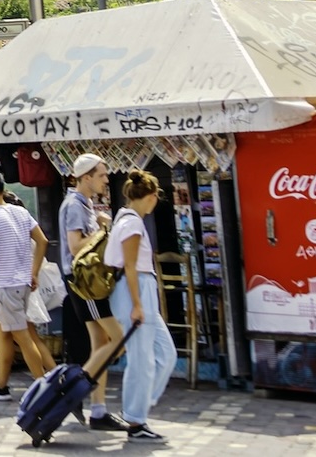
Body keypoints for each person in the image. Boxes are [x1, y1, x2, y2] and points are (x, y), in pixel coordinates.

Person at [105, 170, 174, 441]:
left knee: (165, 353)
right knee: (141, 359)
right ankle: (135, 419)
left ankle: (138, 406)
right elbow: (130, 267)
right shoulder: (132, 224)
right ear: (152, 196)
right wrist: (136, 304)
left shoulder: (124, 218)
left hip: (140, 289)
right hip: (135, 290)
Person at [0, 170, 54, 401]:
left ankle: (43, 388)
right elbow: (42, 241)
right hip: (24, 284)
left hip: (7, 285)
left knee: (23, 338)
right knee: (6, 334)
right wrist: (34, 271)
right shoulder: (19, 211)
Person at [59, 154, 125, 431]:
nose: (106, 180)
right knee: (118, 339)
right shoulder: (75, 205)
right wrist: (103, 228)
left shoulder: (81, 203)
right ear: (86, 177)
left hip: (84, 280)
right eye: (101, 175)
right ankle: (73, 389)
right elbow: (76, 247)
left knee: (100, 343)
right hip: (84, 281)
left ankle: (98, 411)